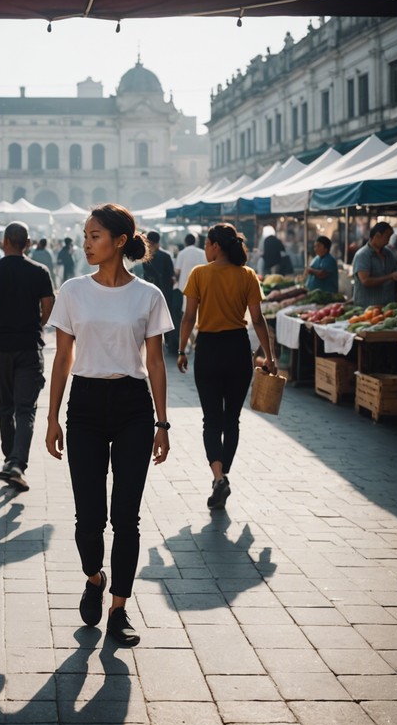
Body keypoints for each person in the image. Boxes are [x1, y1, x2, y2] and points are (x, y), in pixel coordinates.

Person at [45, 203, 173, 647]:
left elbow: (155, 363)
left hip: (134, 405)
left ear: (120, 241)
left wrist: (163, 422)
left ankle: (119, 608)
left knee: (126, 518)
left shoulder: (148, 296)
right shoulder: (73, 291)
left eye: (95, 235)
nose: (86, 243)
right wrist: (52, 417)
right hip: (84, 405)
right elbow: (63, 358)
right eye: (85, 235)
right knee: (88, 518)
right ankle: (94, 577)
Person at [177, 223, 277, 511]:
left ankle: (218, 476)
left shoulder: (199, 274)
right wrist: (268, 357)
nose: (206, 249)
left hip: (207, 350)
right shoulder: (247, 275)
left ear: (215, 245)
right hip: (237, 350)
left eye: (208, 244)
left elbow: (188, 317)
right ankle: (223, 476)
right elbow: (257, 320)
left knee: (211, 419)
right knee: (231, 419)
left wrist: (182, 350)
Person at [0, 222, 54, 491]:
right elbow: (49, 307)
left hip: (0, 347)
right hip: (29, 346)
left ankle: (11, 459)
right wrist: (37, 326)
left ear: (5, 241)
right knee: (25, 409)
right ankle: (15, 463)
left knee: (6, 406)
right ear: (27, 243)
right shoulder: (40, 272)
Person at [351, 222, 397, 308]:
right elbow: (365, 281)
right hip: (366, 308)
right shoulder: (362, 255)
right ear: (377, 236)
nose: (388, 241)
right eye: (387, 237)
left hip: (387, 307)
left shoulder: (390, 254)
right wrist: (390, 276)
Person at [142, 231, 177, 353]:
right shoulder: (166, 256)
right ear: (158, 242)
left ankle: (149, 341)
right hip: (165, 292)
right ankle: (167, 341)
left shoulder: (144, 257)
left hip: (146, 293)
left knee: (148, 317)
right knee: (165, 317)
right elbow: (172, 276)